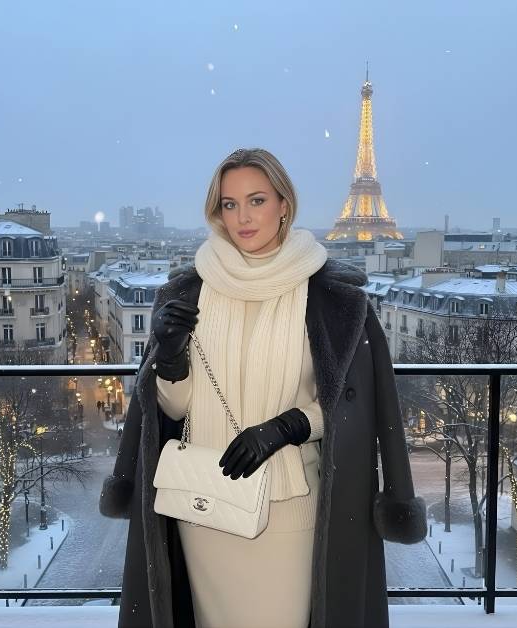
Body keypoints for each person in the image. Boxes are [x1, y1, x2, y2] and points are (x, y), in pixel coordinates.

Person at [99, 147, 427, 627]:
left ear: (283, 205)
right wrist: (169, 357)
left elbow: (353, 406)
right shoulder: (189, 293)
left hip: (289, 507)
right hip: (204, 504)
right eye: (229, 204)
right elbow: (173, 409)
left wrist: (288, 426)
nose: (243, 217)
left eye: (256, 200)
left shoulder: (332, 298)